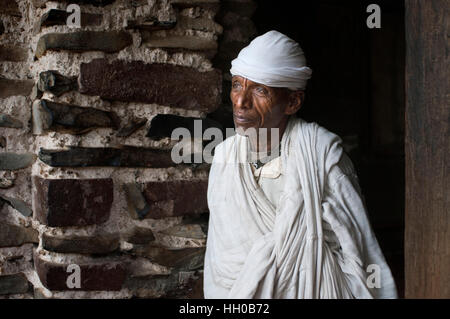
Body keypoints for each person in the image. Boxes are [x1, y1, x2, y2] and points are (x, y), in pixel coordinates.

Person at [203, 30, 398, 299]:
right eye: (237, 84)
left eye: (260, 90)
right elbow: (219, 259)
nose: (240, 101)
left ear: (293, 102)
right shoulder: (224, 158)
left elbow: (358, 251)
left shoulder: (322, 157)